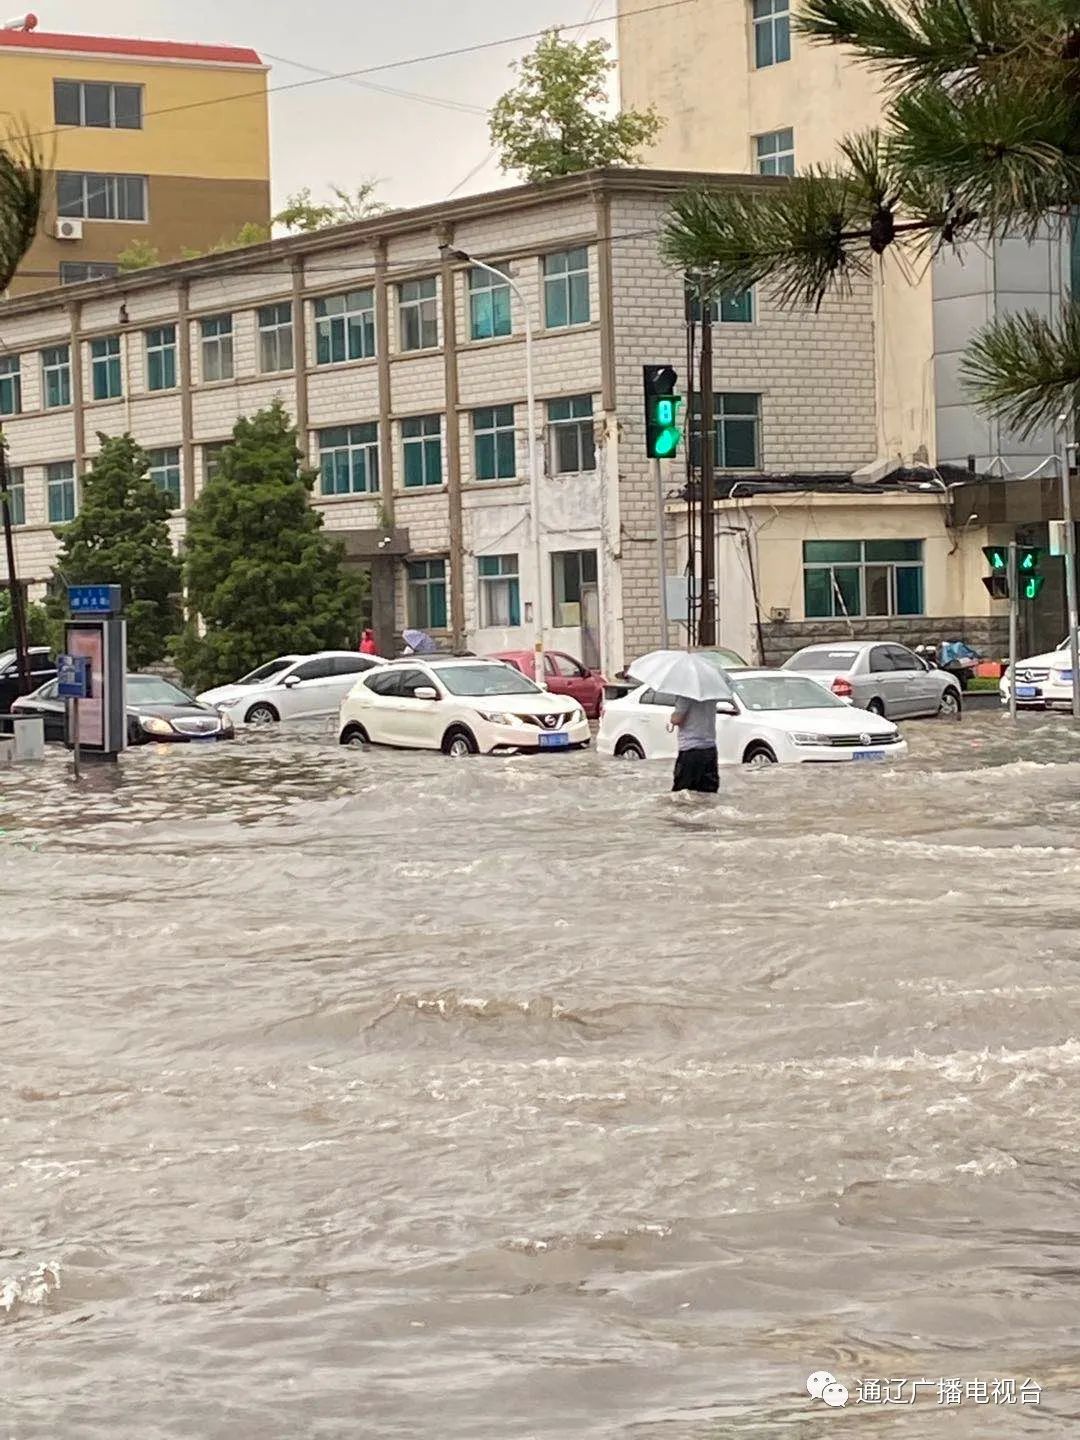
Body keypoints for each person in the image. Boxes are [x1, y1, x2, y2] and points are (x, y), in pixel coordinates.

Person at [669, 694, 720, 793]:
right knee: (708, 793)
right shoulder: (711, 696)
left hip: (690, 751)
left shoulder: (685, 695)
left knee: (683, 794)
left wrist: (673, 716)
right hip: (710, 750)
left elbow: (677, 719)